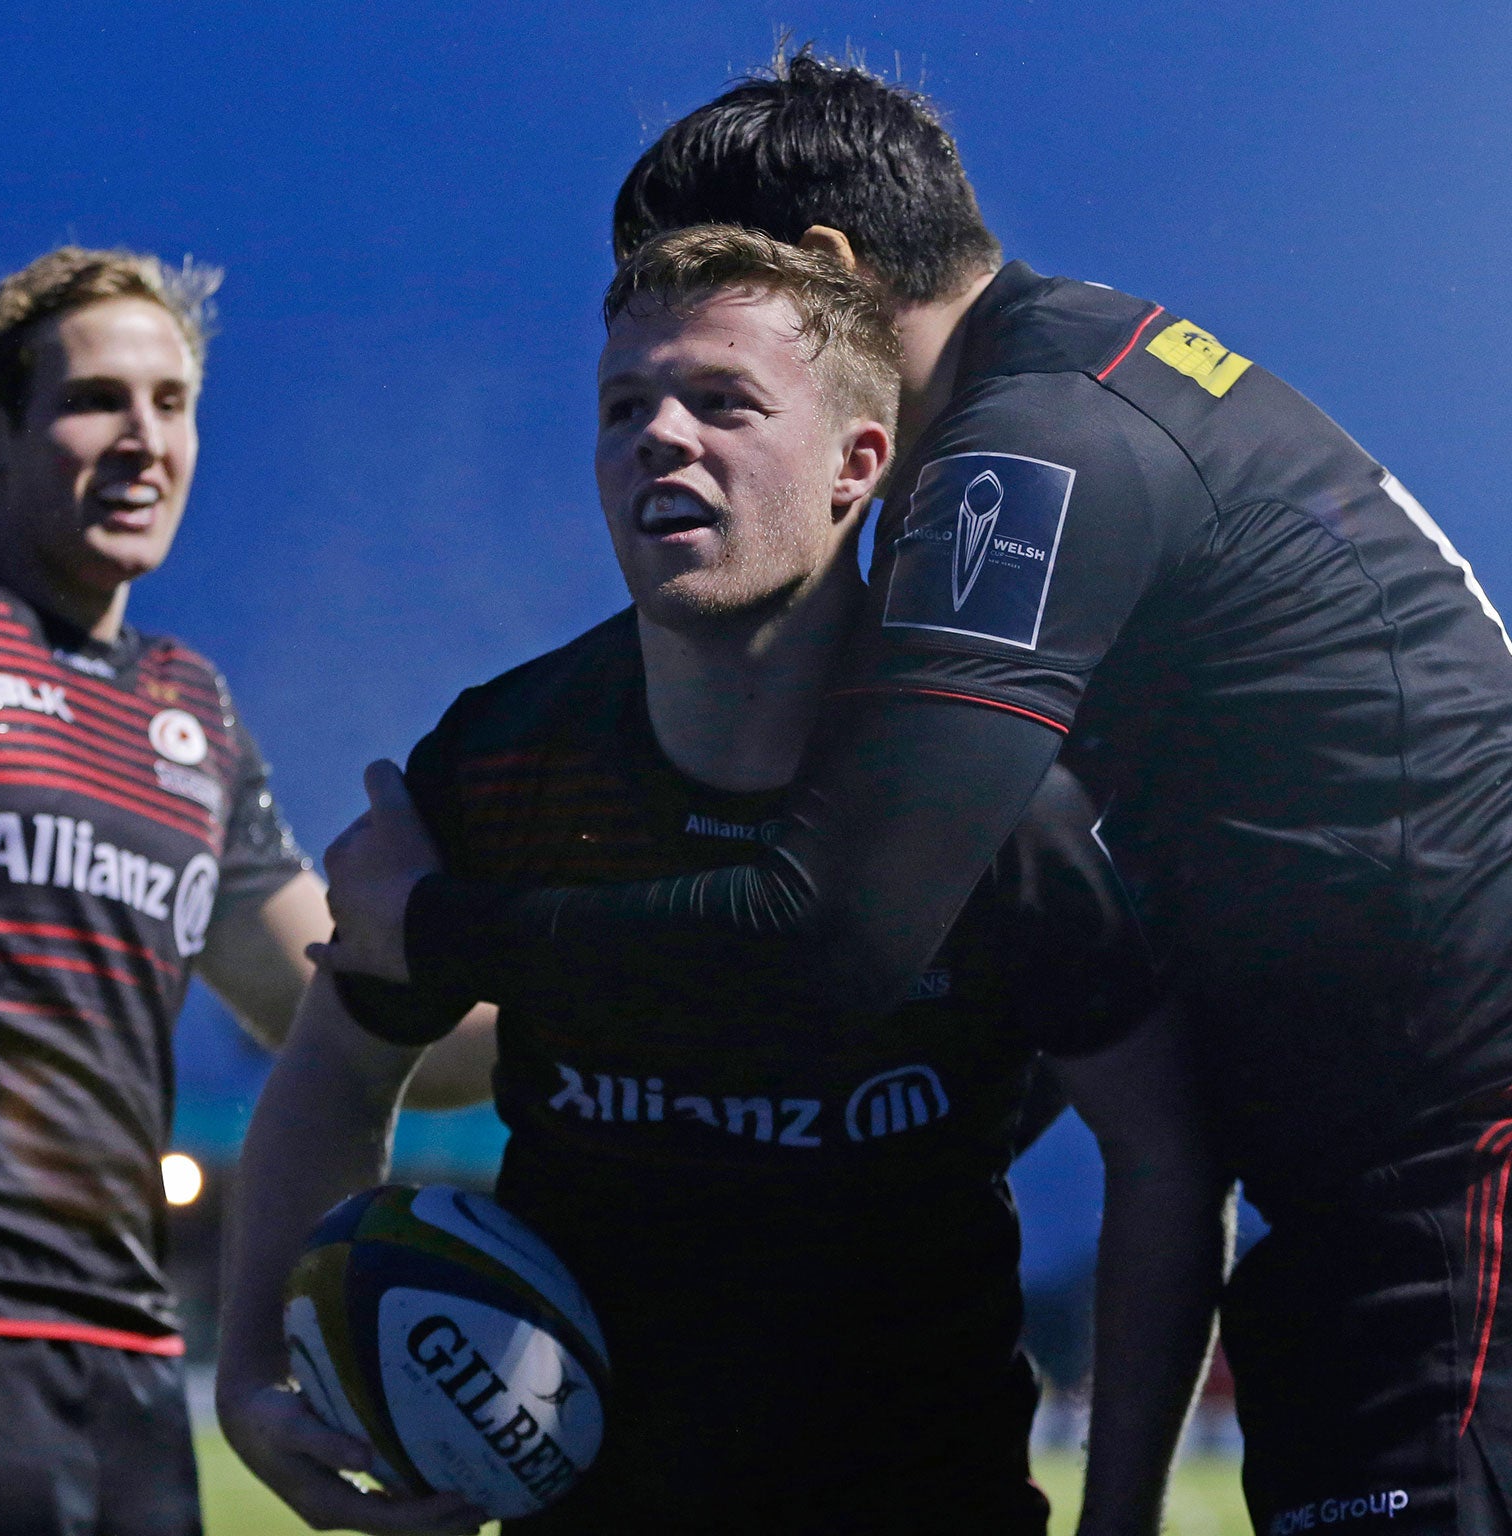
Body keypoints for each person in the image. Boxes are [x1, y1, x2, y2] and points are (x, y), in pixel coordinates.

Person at [323, 52, 1512, 1536]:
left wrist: (435, 930)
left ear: (827, 272)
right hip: (1412, 1195)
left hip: (1511, 1182)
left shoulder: (1025, 454)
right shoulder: (1095, 376)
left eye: (719, 301)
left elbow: (833, 938)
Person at [218, 228, 1229, 1536]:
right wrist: (251, 1375)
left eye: (724, 402)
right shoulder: (504, 760)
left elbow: (1164, 1143)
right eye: (624, 406)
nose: (661, 436)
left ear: (859, 464)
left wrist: (1125, 1515)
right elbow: (341, 1063)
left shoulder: (987, 791)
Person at [0, 245, 489, 1536]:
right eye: (97, 398)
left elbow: (350, 1006)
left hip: (133, 1363)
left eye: (173, 401)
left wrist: (593, 992)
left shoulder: (190, 712)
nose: (143, 440)